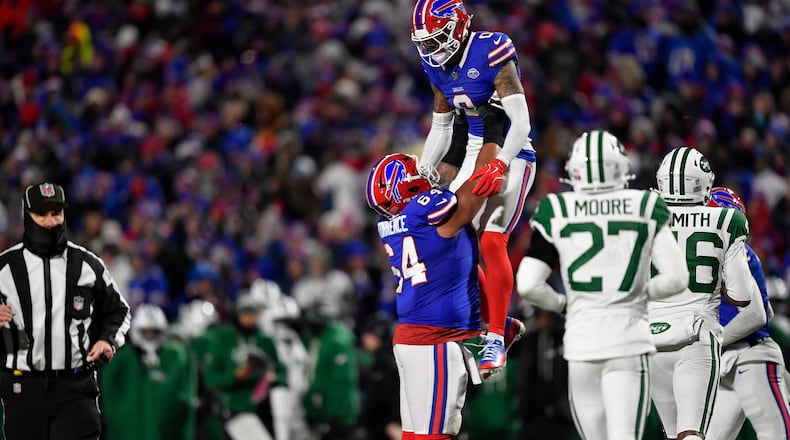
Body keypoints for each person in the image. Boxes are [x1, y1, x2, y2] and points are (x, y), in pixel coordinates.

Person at [515, 130, 689, 440]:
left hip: (582, 343)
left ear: (575, 171)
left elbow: (528, 285)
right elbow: (677, 278)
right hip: (628, 341)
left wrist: (562, 305)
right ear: (620, 167)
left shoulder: (556, 208)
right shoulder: (646, 204)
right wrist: (636, 295)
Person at [411, 0, 534, 375]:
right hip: (469, 153)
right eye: (426, 43)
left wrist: (500, 162)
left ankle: (495, 337)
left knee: (491, 240)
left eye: (437, 39)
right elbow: (443, 127)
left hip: (512, 149)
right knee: (450, 240)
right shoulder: (436, 65)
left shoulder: (491, 48)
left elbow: (521, 123)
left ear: (458, 25)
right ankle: (498, 323)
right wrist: (423, 171)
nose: (432, 50)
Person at [365, 143, 504, 439]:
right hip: (435, 339)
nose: (423, 173)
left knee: (415, 435)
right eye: (414, 172)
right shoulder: (425, 213)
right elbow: (475, 192)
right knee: (437, 434)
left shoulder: (393, 223)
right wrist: (493, 140)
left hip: (411, 337)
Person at [0, 182, 131, 440]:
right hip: (22, 387)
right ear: (27, 215)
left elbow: (119, 310)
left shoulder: (87, 264)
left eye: (56, 213)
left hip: (76, 386)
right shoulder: (4, 267)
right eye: (42, 214)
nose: (50, 222)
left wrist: (108, 341)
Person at [649, 147, 758, 440]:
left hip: (650, 338)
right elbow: (743, 295)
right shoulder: (727, 220)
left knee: (673, 436)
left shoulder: (643, 217)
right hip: (696, 335)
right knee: (692, 433)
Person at [705, 187, 790, 439]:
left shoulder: (736, 253)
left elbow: (758, 315)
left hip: (751, 356)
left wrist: (713, 342)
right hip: (725, 363)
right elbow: (768, 311)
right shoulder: (716, 254)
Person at [101, 303, 198, 440]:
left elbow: (185, 398)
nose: (150, 336)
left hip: (165, 430)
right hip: (129, 429)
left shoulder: (174, 355)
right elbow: (109, 395)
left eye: (154, 332)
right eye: (146, 332)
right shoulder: (121, 358)